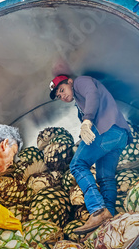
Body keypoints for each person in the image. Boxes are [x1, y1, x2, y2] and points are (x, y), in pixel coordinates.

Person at [49, 75, 131, 234]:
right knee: (105, 177)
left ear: (70, 82)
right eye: (59, 96)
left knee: (77, 165)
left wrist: (87, 121)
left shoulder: (81, 82)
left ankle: (97, 210)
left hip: (107, 130)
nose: (62, 96)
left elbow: (93, 94)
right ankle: (109, 217)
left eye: (62, 90)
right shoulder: (78, 104)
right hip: (119, 136)